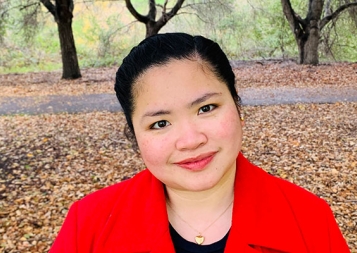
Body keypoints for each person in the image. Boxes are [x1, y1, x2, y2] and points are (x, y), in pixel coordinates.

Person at [49, 33, 350, 253]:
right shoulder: (88, 225)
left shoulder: (309, 220)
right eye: (160, 123)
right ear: (134, 137)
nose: (191, 141)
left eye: (206, 108)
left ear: (238, 108)